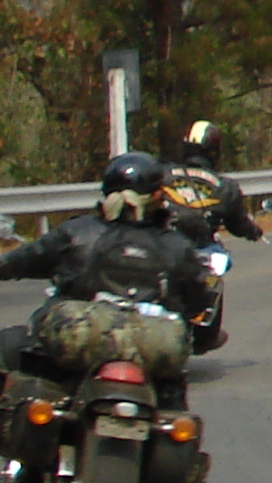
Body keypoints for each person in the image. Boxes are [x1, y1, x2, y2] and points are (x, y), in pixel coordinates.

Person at [0, 152, 205, 404]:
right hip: (152, 347)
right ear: (158, 196)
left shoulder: (77, 232)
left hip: (78, 337)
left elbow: (20, 261)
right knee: (173, 398)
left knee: (10, 346)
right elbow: (198, 299)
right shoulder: (177, 246)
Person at [157, 119, 258, 350]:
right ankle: (204, 329)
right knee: (216, 266)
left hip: (161, 243)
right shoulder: (224, 186)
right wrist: (253, 231)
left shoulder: (162, 173)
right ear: (215, 150)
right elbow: (237, 222)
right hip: (198, 247)